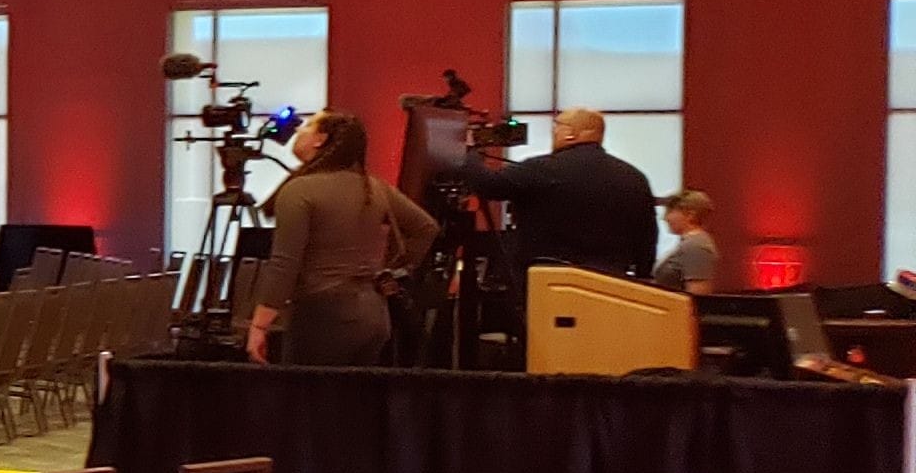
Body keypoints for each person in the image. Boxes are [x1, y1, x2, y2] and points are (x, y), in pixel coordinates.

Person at [246, 111, 439, 366]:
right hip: (374, 313)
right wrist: (392, 270)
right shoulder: (373, 186)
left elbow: (284, 265)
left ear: (320, 139)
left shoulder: (299, 191)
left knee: (312, 401)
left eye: (308, 126)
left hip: (322, 315)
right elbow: (426, 228)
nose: (299, 130)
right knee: (354, 402)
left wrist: (259, 326)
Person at [460, 106, 658, 280]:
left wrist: (470, 152)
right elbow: (647, 237)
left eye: (557, 126)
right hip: (610, 282)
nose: (553, 132)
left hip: (549, 279)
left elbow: (488, 185)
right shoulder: (634, 178)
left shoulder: (543, 169)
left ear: (570, 133)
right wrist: (643, 275)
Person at [654, 189, 720, 294]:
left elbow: (697, 294)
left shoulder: (696, 246)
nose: (665, 218)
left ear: (690, 215)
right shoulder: (691, 243)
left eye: (670, 211)